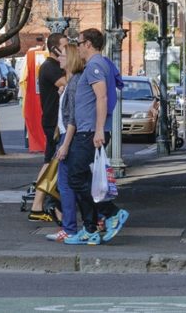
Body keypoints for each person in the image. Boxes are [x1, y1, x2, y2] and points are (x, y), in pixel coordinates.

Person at [63, 27, 127, 245]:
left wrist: (99, 130)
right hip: (87, 130)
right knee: (83, 180)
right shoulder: (96, 65)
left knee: (76, 178)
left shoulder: (95, 66)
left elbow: (101, 98)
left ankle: (111, 213)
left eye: (79, 43)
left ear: (88, 44)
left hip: (89, 132)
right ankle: (90, 228)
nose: (78, 48)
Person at [48, 41, 85, 243]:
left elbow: (72, 119)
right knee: (73, 183)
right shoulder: (71, 84)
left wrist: (65, 144)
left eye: (62, 55)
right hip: (66, 137)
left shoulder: (73, 84)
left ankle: (70, 228)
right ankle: (88, 221)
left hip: (68, 138)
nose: (59, 59)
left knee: (66, 185)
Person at [29, 32, 68, 222]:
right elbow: (67, 84)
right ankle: (39, 205)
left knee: (51, 162)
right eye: (64, 46)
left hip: (55, 121)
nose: (68, 50)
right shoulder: (50, 67)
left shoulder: (53, 66)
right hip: (54, 122)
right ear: (54, 48)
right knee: (51, 163)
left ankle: (39, 205)